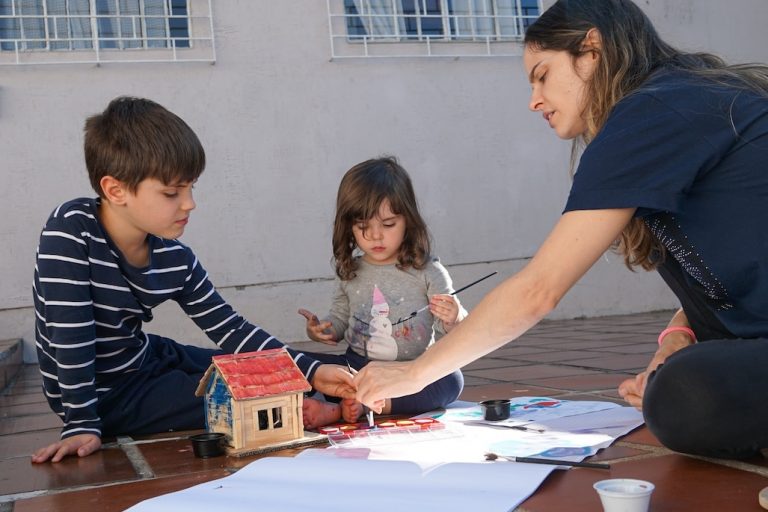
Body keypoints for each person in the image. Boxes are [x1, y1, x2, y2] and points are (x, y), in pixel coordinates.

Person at [354, 0, 768, 460]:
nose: (534, 99)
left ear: (591, 49)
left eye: (543, 75)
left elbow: (539, 290)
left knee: (684, 395)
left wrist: (414, 374)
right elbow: (724, 286)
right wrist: (676, 341)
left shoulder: (654, 109)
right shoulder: (673, 103)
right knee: (678, 384)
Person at [31, 97, 354, 463]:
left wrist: (314, 369)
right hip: (104, 395)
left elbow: (232, 330)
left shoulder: (174, 257)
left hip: (145, 355)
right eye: (172, 193)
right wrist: (81, 422)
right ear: (116, 190)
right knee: (235, 396)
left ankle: (336, 381)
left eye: (190, 188)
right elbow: (69, 336)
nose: (189, 204)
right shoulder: (70, 232)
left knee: (249, 365)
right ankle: (314, 406)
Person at [297, 156, 467, 428]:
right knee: (297, 362)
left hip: (410, 371)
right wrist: (323, 330)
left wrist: (454, 316)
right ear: (349, 226)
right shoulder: (350, 269)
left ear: (408, 222)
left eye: (388, 225)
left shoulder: (428, 270)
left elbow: (458, 331)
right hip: (356, 369)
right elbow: (340, 320)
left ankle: (377, 403)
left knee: (452, 379)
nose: (375, 236)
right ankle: (339, 405)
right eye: (363, 227)